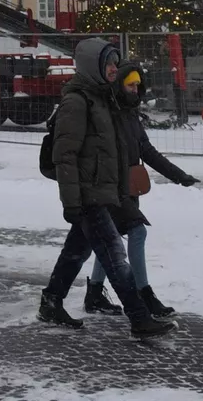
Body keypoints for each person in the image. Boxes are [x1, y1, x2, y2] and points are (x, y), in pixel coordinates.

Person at [37, 37, 175, 338]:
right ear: (93, 67)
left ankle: (51, 301)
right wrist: (71, 201)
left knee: (75, 252)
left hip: (104, 190)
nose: (114, 69)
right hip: (88, 194)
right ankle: (139, 318)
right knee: (115, 257)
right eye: (109, 64)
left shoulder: (101, 98)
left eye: (115, 63)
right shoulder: (77, 101)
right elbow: (65, 154)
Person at [82, 63, 201, 320]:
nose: (135, 90)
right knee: (137, 232)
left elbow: (147, 151)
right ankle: (143, 294)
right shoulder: (106, 114)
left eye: (138, 85)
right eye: (130, 85)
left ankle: (94, 293)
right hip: (109, 189)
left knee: (109, 239)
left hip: (127, 188)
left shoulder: (130, 114)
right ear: (118, 86)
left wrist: (179, 176)